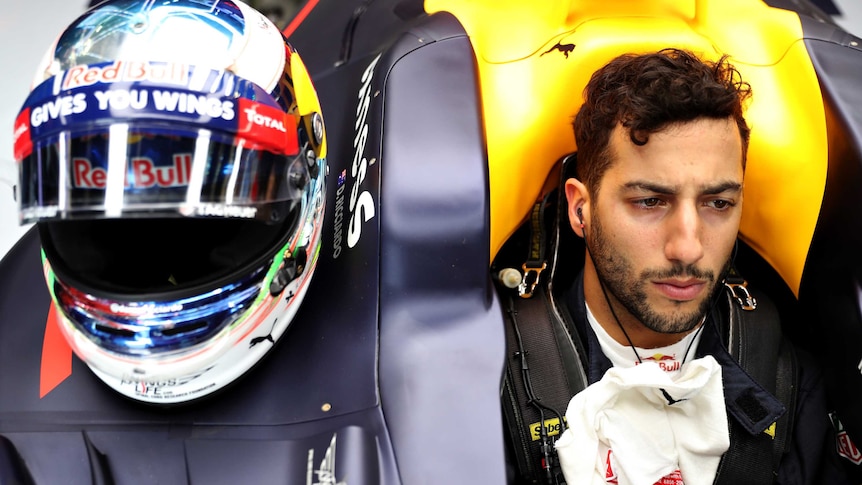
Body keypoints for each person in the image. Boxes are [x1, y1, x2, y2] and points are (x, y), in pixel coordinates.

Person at [550, 48, 848, 484]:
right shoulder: (496, 383)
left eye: (718, 203)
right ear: (581, 210)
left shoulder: (794, 381)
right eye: (650, 201)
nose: (688, 248)